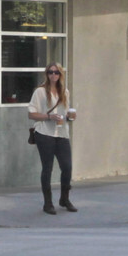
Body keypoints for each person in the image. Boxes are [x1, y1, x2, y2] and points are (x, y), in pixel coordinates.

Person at [27, 63, 76, 214]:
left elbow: (65, 113)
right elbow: (31, 114)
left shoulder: (64, 92)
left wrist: (70, 116)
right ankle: (48, 203)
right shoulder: (40, 92)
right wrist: (49, 116)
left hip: (62, 134)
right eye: (50, 72)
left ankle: (64, 198)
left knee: (67, 167)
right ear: (46, 74)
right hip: (44, 134)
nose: (53, 75)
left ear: (61, 75)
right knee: (47, 168)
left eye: (56, 73)